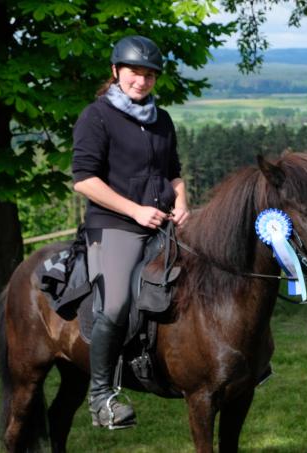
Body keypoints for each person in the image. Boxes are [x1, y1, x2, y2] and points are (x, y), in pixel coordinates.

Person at [72, 35, 189, 428]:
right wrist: (135, 211)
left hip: (162, 222)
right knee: (118, 302)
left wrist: (182, 201)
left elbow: (173, 171)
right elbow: (84, 181)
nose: (142, 81)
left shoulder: (161, 119)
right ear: (115, 72)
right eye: (134, 73)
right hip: (114, 226)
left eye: (149, 75)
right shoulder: (97, 116)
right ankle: (101, 396)